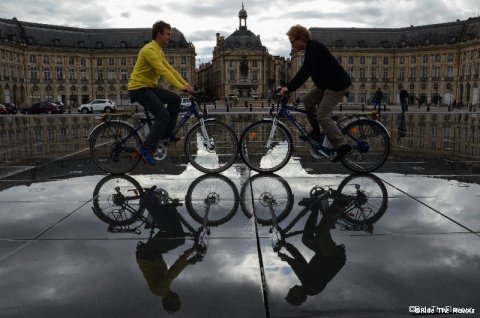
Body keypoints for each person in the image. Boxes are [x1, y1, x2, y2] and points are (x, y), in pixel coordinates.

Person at [279, 25, 352, 162]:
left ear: (301, 39)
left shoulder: (314, 48)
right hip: (326, 85)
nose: (291, 44)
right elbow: (305, 71)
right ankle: (316, 132)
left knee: (322, 115)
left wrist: (289, 87)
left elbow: (305, 71)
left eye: (292, 41)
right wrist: (288, 87)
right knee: (308, 101)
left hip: (337, 85)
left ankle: (342, 145)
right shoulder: (309, 49)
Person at [128, 20, 194, 165]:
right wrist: (181, 87)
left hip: (148, 87)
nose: (170, 37)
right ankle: (146, 148)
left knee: (175, 99)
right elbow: (163, 71)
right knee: (162, 115)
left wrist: (185, 84)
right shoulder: (149, 50)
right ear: (159, 34)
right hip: (138, 88)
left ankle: (166, 135)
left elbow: (171, 70)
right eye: (168, 34)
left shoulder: (158, 50)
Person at [277, 191, 350, 306]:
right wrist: (287, 252)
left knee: (307, 239)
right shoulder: (312, 287)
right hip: (334, 257)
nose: (291, 288)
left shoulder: (307, 286)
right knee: (321, 233)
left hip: (324, 255)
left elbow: (300, 264)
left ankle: (315, 209)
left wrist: (288, 248)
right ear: (298, 295)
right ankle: (340, 205)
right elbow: (300, 264)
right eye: (291, 292)